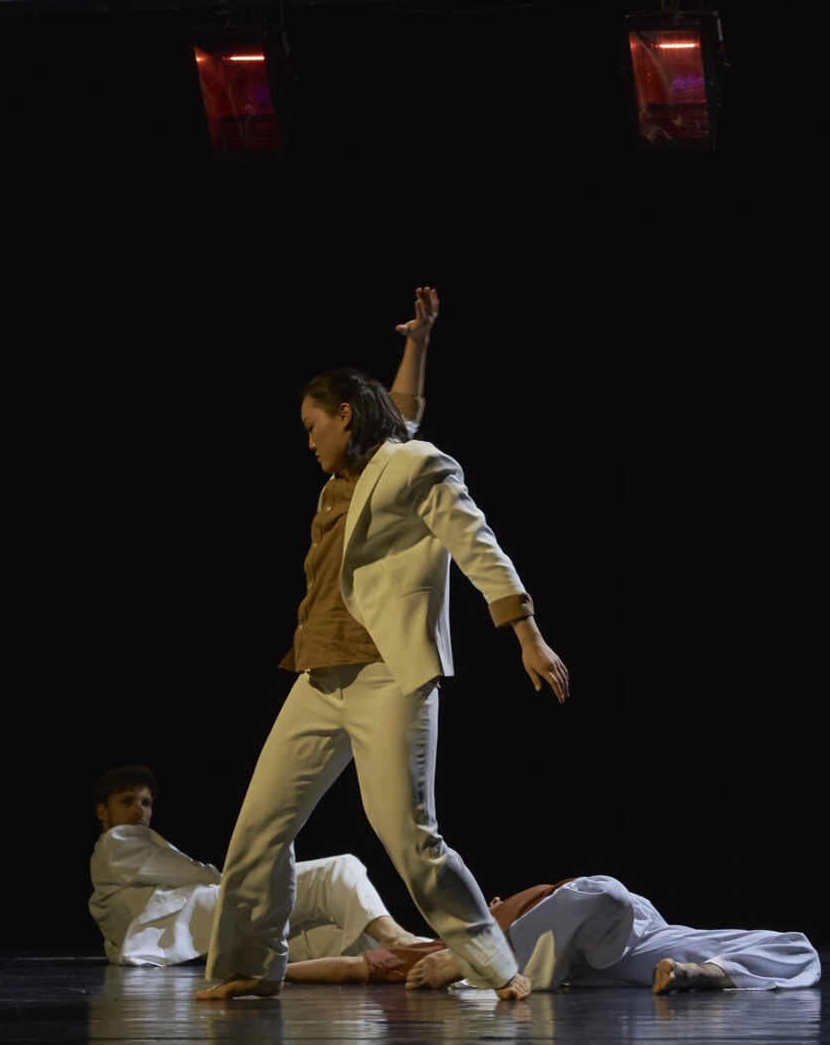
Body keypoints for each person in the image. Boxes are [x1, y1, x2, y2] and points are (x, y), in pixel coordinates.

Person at [199, 286, 572, 1004]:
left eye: (314, 424)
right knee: (258, 828)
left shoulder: (412, 464)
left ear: (344, 415)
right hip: (317, 675)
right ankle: (251, 964)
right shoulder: (345, 474)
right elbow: (399, 405)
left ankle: (495, 964)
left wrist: (526, 632)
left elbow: (477, 545)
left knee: (410, 839)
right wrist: (419, 341)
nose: (306, 440)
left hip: (385, 677)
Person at [88, 764, 423, 966]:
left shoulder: (115, 855)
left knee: (329, 937)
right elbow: (188, 872)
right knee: (336, 872)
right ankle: (401, 939)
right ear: (103, 811)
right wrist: (225, 879)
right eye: (127, 801)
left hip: (199, 932)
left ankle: (429, 955)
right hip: (206, 913)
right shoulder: (118, 841)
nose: (139, 810)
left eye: (145, 803)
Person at [283, 875, 823, 996]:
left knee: (797, 946)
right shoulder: (450, 943)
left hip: (647, 932)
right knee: (605, 893)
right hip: (606, 935)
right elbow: (364, 967)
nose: (489, 902)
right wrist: (272, 971)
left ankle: (697, 973)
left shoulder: (516, 906)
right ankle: (488, 962)